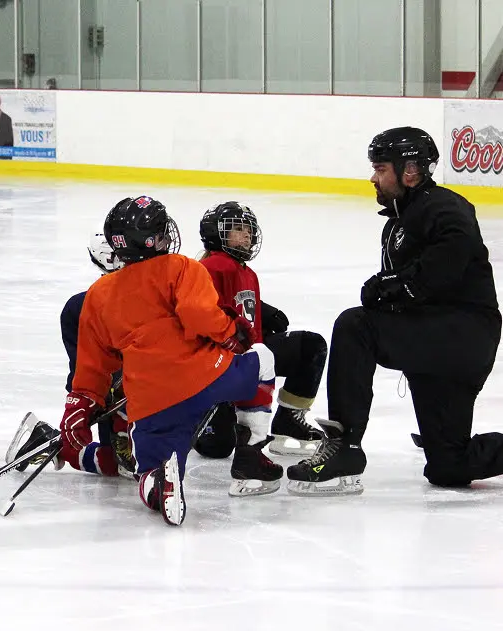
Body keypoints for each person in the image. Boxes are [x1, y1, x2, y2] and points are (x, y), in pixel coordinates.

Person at [287, 126, 503, 495]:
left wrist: (394, 285)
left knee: (356, 326)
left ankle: (345, 447)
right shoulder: (401, 219)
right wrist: (390, 287)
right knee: (448, 466)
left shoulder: (444, 207)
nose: (374, 177)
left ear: (412, 170)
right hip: (439, 339)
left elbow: (448, 262)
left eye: (382, 169)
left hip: (461, 336)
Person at [61, 196, 279, 526]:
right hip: (207, 375)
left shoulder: (98, 294)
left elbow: (93, 367)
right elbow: (200, 315)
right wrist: (233, 332)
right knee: (262, 358)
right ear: (155, 239)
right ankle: (251, 453)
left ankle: (159, 484)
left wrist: (77, 407)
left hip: (151, 402)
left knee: (146, 470)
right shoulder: (182, 266)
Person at [194, 202, 329, 459]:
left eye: (248, 229)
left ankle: (287, 421)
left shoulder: (247, 272)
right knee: (217, 447)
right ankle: (198, 413)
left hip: (253, 356)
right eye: (236, 228)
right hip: (220, 364)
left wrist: (263, 311)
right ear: (215, 232)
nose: (246, 234)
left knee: (309, 346)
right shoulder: (213, 267)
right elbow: (202, 313)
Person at [6, 234, 133, 478]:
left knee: (135, 463)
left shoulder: (154, 296)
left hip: (146, 397)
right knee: (125, 466)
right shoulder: (80, 307)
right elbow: (85, 371)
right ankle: (52, 444)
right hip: (120, 398)